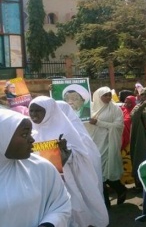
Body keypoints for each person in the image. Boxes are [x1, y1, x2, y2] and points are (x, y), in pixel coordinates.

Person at [29, 96, 109, 226]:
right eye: (31, 111)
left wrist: (65, 153)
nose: (33, 114)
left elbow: (81, 155)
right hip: (42, 181)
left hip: (66, 179)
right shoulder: (30, 131)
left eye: (38, 111)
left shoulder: (64, 130)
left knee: (73, 209)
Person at [0, 109, 71, 227]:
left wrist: (49, 224)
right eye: (24, 134)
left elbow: (60, 203)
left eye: (30, 133)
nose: (32, 139)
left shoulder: (42, 168)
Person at [87, 87, 127, 207]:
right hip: (94, 144)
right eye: (105, 95)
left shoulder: (115, 109)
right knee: (98, 173)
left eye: (109, 95)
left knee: (103, 173)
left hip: (108, 144)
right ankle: (116, 192)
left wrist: (99, 123)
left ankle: (110, 198)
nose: (108, 98)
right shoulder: (90, 108)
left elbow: (118, 125)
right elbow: (75, 113)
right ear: (98, 96)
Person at [130, 87, 146, 190]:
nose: (145, 96)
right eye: (143, 94)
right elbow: (134, 117)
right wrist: (142, 107)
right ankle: (141, 183)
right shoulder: (138, 107)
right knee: (141, 158)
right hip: (142, 138)